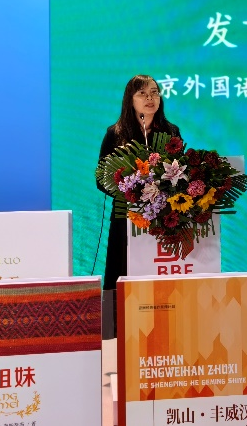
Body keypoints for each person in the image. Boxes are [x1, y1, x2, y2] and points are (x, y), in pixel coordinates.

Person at [96, 74, 182, 338]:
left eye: (154, 92)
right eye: (142, 93)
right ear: (130, 100)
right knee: (121, 270)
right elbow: (101, 178)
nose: (150, 98)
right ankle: (118, 332)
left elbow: (180, 172)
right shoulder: (115, 134)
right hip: (127, 217)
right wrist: (132, 189)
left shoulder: (171, 132)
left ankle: (165, 327)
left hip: (162, 218)